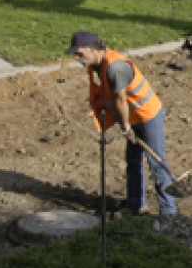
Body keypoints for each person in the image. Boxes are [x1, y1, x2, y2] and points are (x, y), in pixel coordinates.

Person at [68, 31, 177, 216]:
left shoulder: (115, 68)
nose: (78, 59)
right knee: (133, 161)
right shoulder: (98, 65)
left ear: (92, 49)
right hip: (131, 117)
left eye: (80, 54)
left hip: (147, 116)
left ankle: (169, 212)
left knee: (157, 164)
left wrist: (125, 127)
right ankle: (136, 205)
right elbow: (108, 95)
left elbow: (121, 100)